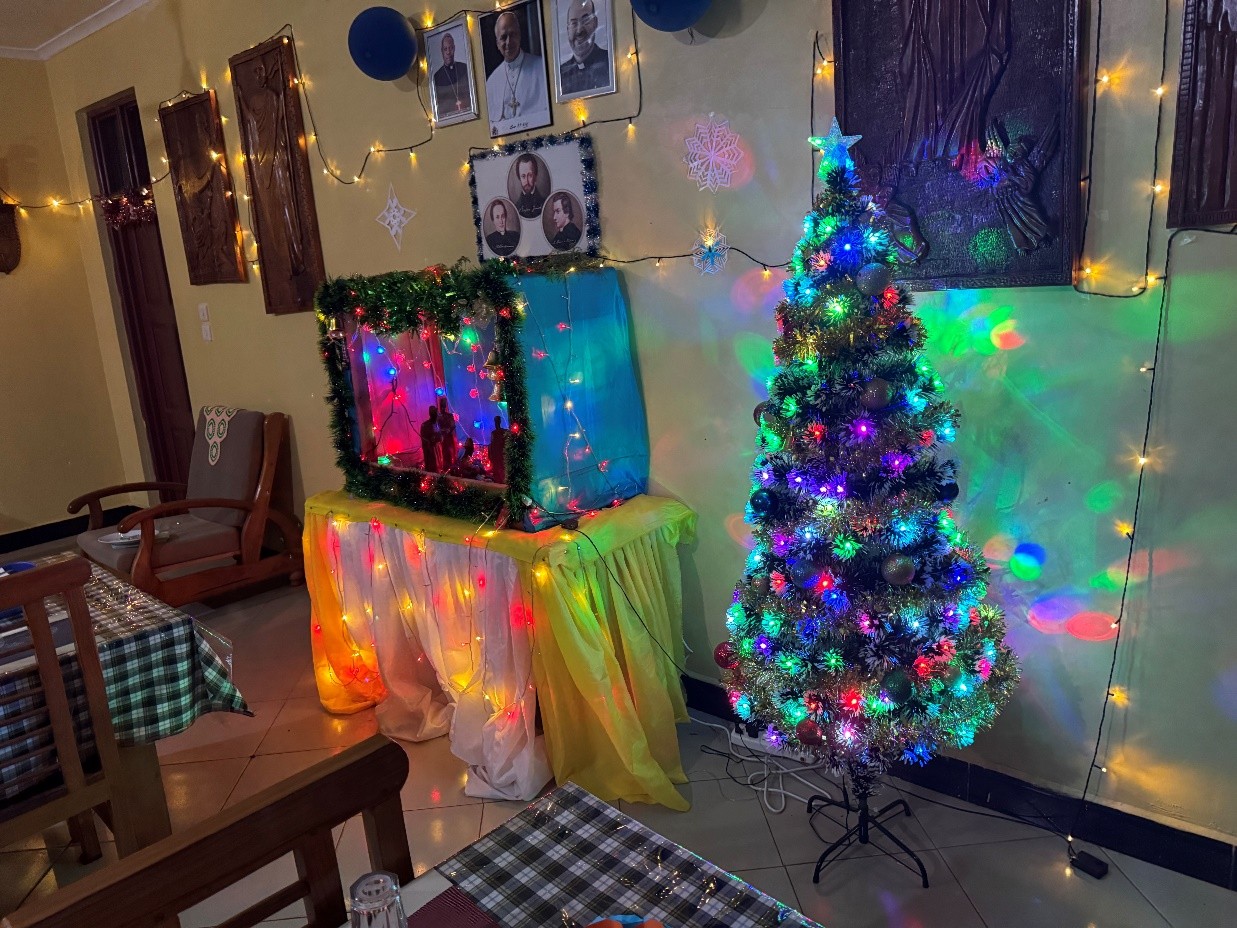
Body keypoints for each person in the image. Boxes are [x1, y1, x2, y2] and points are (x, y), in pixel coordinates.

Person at [484, 10, 549, 134]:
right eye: (503, 37)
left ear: (519, 36)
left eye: (512, 35)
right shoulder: (492, 81)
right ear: (497, 43)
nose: (508, 42)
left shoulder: (541, 67)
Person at [559, 0, 611, 97]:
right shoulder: (561, 74)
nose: (579, 30)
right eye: (574, 23)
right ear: (568, 30)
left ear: (595, 23)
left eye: (586, 21)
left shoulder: (610, 62)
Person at [432, 32, 472, 115]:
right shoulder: (437, 77)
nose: (448, 52)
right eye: (445, 49)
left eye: (450, 48)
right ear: (442, 51)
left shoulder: (464, 68)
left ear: (454, 48)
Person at [513, 154, 546, 218]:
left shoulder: (544, 203)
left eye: (530, 175)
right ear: (519, 178)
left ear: (535, 176)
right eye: (523, 176)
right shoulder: (516, 207)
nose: (527, 181)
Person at [437, 396, 459, 469]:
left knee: (449, 451)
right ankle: (445, 465)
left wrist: (448, 430)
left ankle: (450, 465)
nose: (442, 407)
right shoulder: (438, 416)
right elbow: (437, 426)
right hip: (442, 437)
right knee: (444, 451)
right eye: (441, 405)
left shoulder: (449, 416)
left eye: (444, 405)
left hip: (448, 436)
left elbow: (453, 426)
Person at [419, 406, 441, 472]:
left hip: (437, 448)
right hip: (431, 450)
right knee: (433, 466)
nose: (437, 415)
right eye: (435, 413)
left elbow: (439, 436)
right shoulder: (425, 425)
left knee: (438, 465)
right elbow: (425, 438)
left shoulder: (437, 424)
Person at [488, 415, 508, 483]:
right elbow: (491, 443)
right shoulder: (496, 432)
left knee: (500, 470)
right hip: (496, 455)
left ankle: (501, 482)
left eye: (497, 420)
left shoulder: (502, 432)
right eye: (496, 420)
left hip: (500, 455)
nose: (496, 422)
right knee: (497, 471)